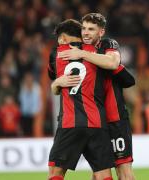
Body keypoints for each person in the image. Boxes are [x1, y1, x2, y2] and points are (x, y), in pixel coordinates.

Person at [58, 13, 135, 180]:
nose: (86, 32)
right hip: (94, 121)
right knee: (99, 172)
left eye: (91, 29)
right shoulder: (78, 49)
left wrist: (82, 54)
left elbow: (113, 63)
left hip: (115, 119)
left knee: (124, 171)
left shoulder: (107, 44)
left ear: (101, 32)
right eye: (84, 28)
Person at [48, 19, 118, 180]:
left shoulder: (56, 53)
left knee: (55, 173)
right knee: (103, 174)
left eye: (59, 39)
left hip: (70, 123)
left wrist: (57, 83)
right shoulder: (97, 52)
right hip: (97, 123)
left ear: (63, 39)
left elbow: (55, 82)